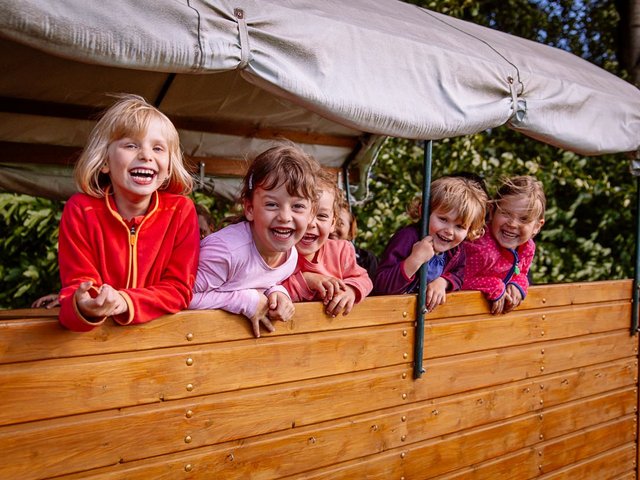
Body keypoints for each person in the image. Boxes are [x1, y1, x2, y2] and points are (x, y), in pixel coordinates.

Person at [57, 94, 199, 332]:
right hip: (95, 348)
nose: (146, 155)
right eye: (131, 145)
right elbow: (78, 287)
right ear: (105, 162)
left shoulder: (181, 211)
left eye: (158, 148)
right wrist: (83, 306)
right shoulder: (81, 210)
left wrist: (125, 301)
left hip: (161, 341)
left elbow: (179, 289)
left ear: (168, 168)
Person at [190, 143, 319, 337]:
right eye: (272, 204)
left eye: (298, 206)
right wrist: (245, 301)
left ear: (311, 214)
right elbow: (182, 296)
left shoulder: (290, 255)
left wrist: (277, 293)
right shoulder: (227, 252)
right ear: (249, 208)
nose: (285, 216)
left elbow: (260, 281)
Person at [373, 176, 488, 312]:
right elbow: (381, 286)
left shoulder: (456, 251)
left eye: (460, 227)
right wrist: (414, 260)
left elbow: (459, 275)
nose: (449, 231)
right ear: (424, 212)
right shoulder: (407, 238)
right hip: (390, 316)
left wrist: (443, 282)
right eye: (443, 219)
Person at [283, 171, 373, 317]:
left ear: (332, 223)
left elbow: (364, 279)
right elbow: (271, 291)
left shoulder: (340, 250)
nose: (311, 223)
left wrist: (350, 290)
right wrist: (306, 280)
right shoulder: (279, 252)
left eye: (322, 216)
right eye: (303, 212)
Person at [463, 175, 546, 314]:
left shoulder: (527, 247)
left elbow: (522, 273)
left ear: (537, 226)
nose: (512, 224)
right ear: (492, 211)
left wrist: (519, 283)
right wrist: (494, 285)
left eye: (524, 219)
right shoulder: (480, 247)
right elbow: (459, 280)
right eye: (506, 213)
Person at [329, 200, 378, 281]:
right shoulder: (311, 255)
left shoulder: (366, 258)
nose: (333, 228)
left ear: (350, 232)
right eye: (330, 222)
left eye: (340, 223)